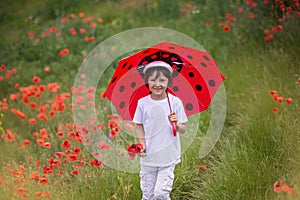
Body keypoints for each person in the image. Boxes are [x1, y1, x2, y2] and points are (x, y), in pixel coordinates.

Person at [133, 61, 188, 200]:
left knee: (161, 194)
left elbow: (183, 129)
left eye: (162, 80)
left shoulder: (175, 102)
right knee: (148, 194)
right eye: (153, 80)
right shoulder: (142, 103)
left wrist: (176, 122)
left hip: (167, 156)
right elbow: (138, 125)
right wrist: (142, 144)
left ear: (169, 82)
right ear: (147, 82)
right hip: (149, 157)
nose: (157, 84)